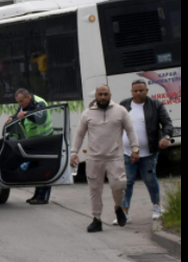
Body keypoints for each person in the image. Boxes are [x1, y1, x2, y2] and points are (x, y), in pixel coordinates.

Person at [72, 85, 140, 233]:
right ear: (95, 96)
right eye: (100, 94)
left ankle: (118, 207)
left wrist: (135, 149)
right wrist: (74, 153)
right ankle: (96, 219)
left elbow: (130, 130)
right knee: (95, 190)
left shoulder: (120, 111)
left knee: (119, 185)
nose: (103, 97)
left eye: (105, 94)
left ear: (110, 95)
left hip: (114, 157)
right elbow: (79, 135)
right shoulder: (88, 114)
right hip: (94, 158)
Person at [116, 80, 174, 224]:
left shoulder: (155, 105)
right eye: (135, 90)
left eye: (141, 90)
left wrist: (166, 137)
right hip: (127, 152)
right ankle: (124, 212)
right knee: (127, 182)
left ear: (147, 90)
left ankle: (156, 206)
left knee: (150, 180)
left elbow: (167, 123)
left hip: (148, 152)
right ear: (131, 92)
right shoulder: (124, 105)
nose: (138, 93)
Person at [8, 89, 55, 205]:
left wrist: (27, 115)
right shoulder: (25, 105)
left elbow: (40, 119)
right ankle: (37, 194)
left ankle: (43, 197)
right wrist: (12, 118)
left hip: (45, 140)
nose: (19, 104)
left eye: (21, 101)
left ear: (28, 97)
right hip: (34, 142)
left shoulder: (40, 103)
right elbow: (18, 114)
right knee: (35, 169)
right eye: (18, 102)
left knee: (44, 169)